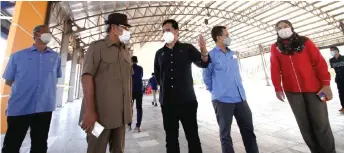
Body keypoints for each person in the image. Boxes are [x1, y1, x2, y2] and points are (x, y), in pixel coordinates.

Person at [270, 20, 336, 153]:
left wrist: (326, 84)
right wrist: (277, 87)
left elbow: (319, 62)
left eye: (286, 26)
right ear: (277, 31)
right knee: (304, 125)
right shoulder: (275, 47)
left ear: (291, 27)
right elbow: (275, 68)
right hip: (292, 92)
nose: (283, 29)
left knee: (321, 123)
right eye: (279, 28)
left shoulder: (305, 42)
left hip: (315, 89)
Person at [1, 25, 62, 153]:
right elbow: (8, 80)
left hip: (44, 108)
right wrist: (25, 88)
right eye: (46, 32)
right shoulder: (17, 56)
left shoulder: (55, 57)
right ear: (35, 34)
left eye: (50, 33)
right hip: (20, 107)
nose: (49, 35)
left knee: (39, 145)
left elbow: (54, 79)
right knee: (12, 145)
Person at [154, 19, 210, 153]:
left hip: (187, 102)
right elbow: (158, 76)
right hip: (167, 103)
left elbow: (204, 63)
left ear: (177, 31)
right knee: (171, 139)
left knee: (192, 137)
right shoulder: (159, 53)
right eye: (163, 31)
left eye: (168, 30)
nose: (165, 33)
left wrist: (203, 50)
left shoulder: (187, 48)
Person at [79, 13, 132, 153]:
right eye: (125, 27)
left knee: (118, 150)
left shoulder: (126, 52)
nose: (128, 31)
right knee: (96, 149)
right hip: (100, 117)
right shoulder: (97, 48)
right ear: (114, 27)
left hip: (120, 117)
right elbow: (86, 78)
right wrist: (89, 112)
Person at [203, 26, 259, 153]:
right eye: (227, 34)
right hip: (222, 100)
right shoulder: (210, 56)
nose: (229, 37)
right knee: (225, 135)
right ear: (219, 37)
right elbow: (206, 77)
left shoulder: (232, 54)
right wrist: (217, 92)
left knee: (249, 131)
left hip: (240, 98)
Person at [128, 56, 143, 132]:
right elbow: (141, 76)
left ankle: (129, 125)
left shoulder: (129, 68)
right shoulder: (140, 68)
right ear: (136, 61)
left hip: (131, 90)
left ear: (131, 61)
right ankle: (138, 126)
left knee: (130, 108)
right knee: (139, 108)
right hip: (139, 90)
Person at [329, 46, 344, 112]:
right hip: (338, 79)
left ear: (337, 50)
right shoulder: (331, 60)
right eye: (330, 51)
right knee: (341, 93)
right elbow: (334, 69)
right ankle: (343, 107)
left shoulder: (343, 58)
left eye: (332, 50)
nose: (331, 52)